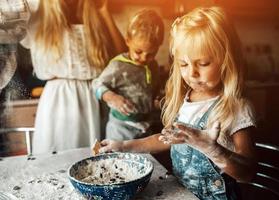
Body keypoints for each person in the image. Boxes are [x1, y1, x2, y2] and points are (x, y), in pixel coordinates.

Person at [93, 7, 257, 200]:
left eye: (203, 63)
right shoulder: (186, 99)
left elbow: (248, 173)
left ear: (227, 60)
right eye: (183, 64)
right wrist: (123, 145)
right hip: (182, 194)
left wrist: (213, 150)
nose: (191, 73)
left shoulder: (236, 107)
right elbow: (164, 139)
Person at [20, 0, 127, 154]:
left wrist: (104, 11)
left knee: (96, 162)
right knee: (59, 159)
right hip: (59, 101)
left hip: (95, 97)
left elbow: (123, 57)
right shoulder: (39, 15)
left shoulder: (94, 15)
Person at [92, 9, 164, 141]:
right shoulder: (118, 66)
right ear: (127, 41)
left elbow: (154, 90)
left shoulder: (153, 65)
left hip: (146, 126)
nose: (144, 58)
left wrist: (157, 99)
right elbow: (96, 85)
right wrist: (111, 97)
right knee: (120, 159)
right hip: (121, 128)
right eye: (138, 51)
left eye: (151, 54)